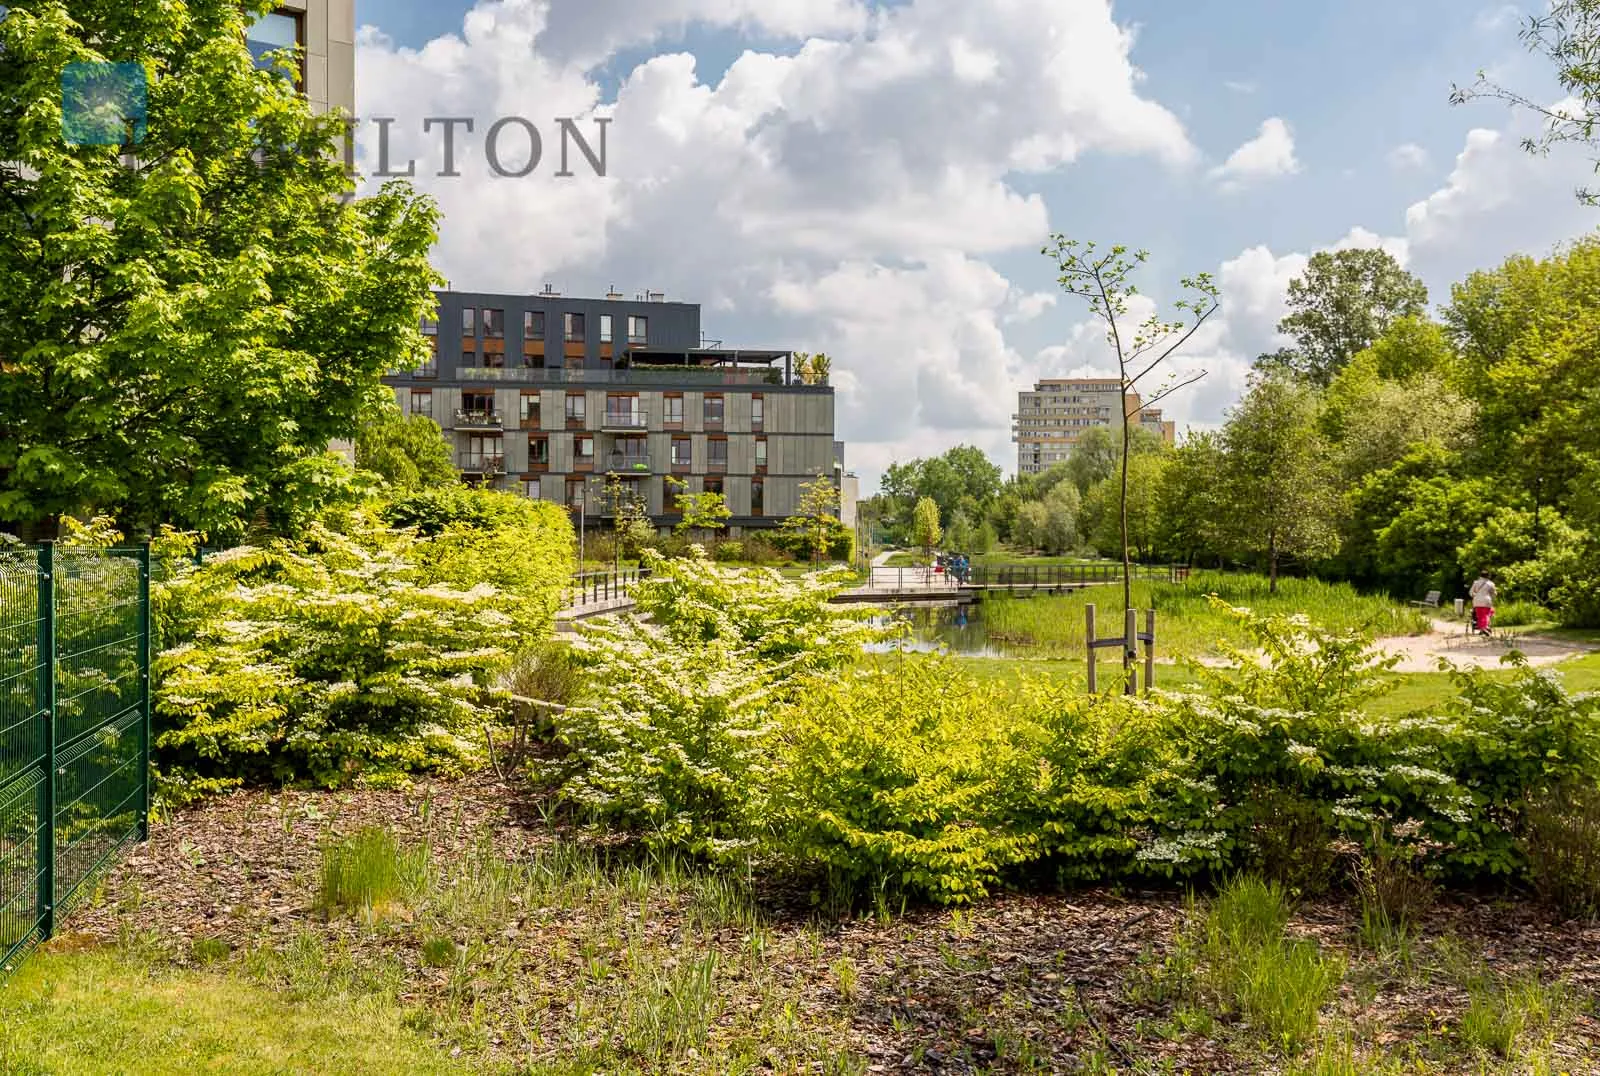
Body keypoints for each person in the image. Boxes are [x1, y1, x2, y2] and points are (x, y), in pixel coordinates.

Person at [1469, 571, 1497, 636]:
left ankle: (1482, 629)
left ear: (1480, 576)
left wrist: (1475, 596)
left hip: (1477, 601)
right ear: (1488, 576)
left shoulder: (1475, 582)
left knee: (1480, 616)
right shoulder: (1491, 584)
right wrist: (1491, 598)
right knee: (1486, 615)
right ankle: (1485, 627)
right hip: (1486, 601)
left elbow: (1470, 593)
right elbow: (1494, 594)